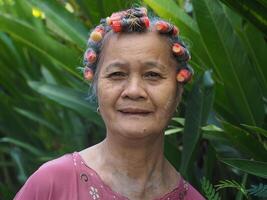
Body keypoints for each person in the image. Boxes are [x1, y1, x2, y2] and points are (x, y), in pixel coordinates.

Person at [14, 7, 205, 200]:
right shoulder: (51, 185)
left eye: (153, 75)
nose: (134, 91)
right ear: (96, 87)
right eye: (117, 74)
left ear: (178, 90)